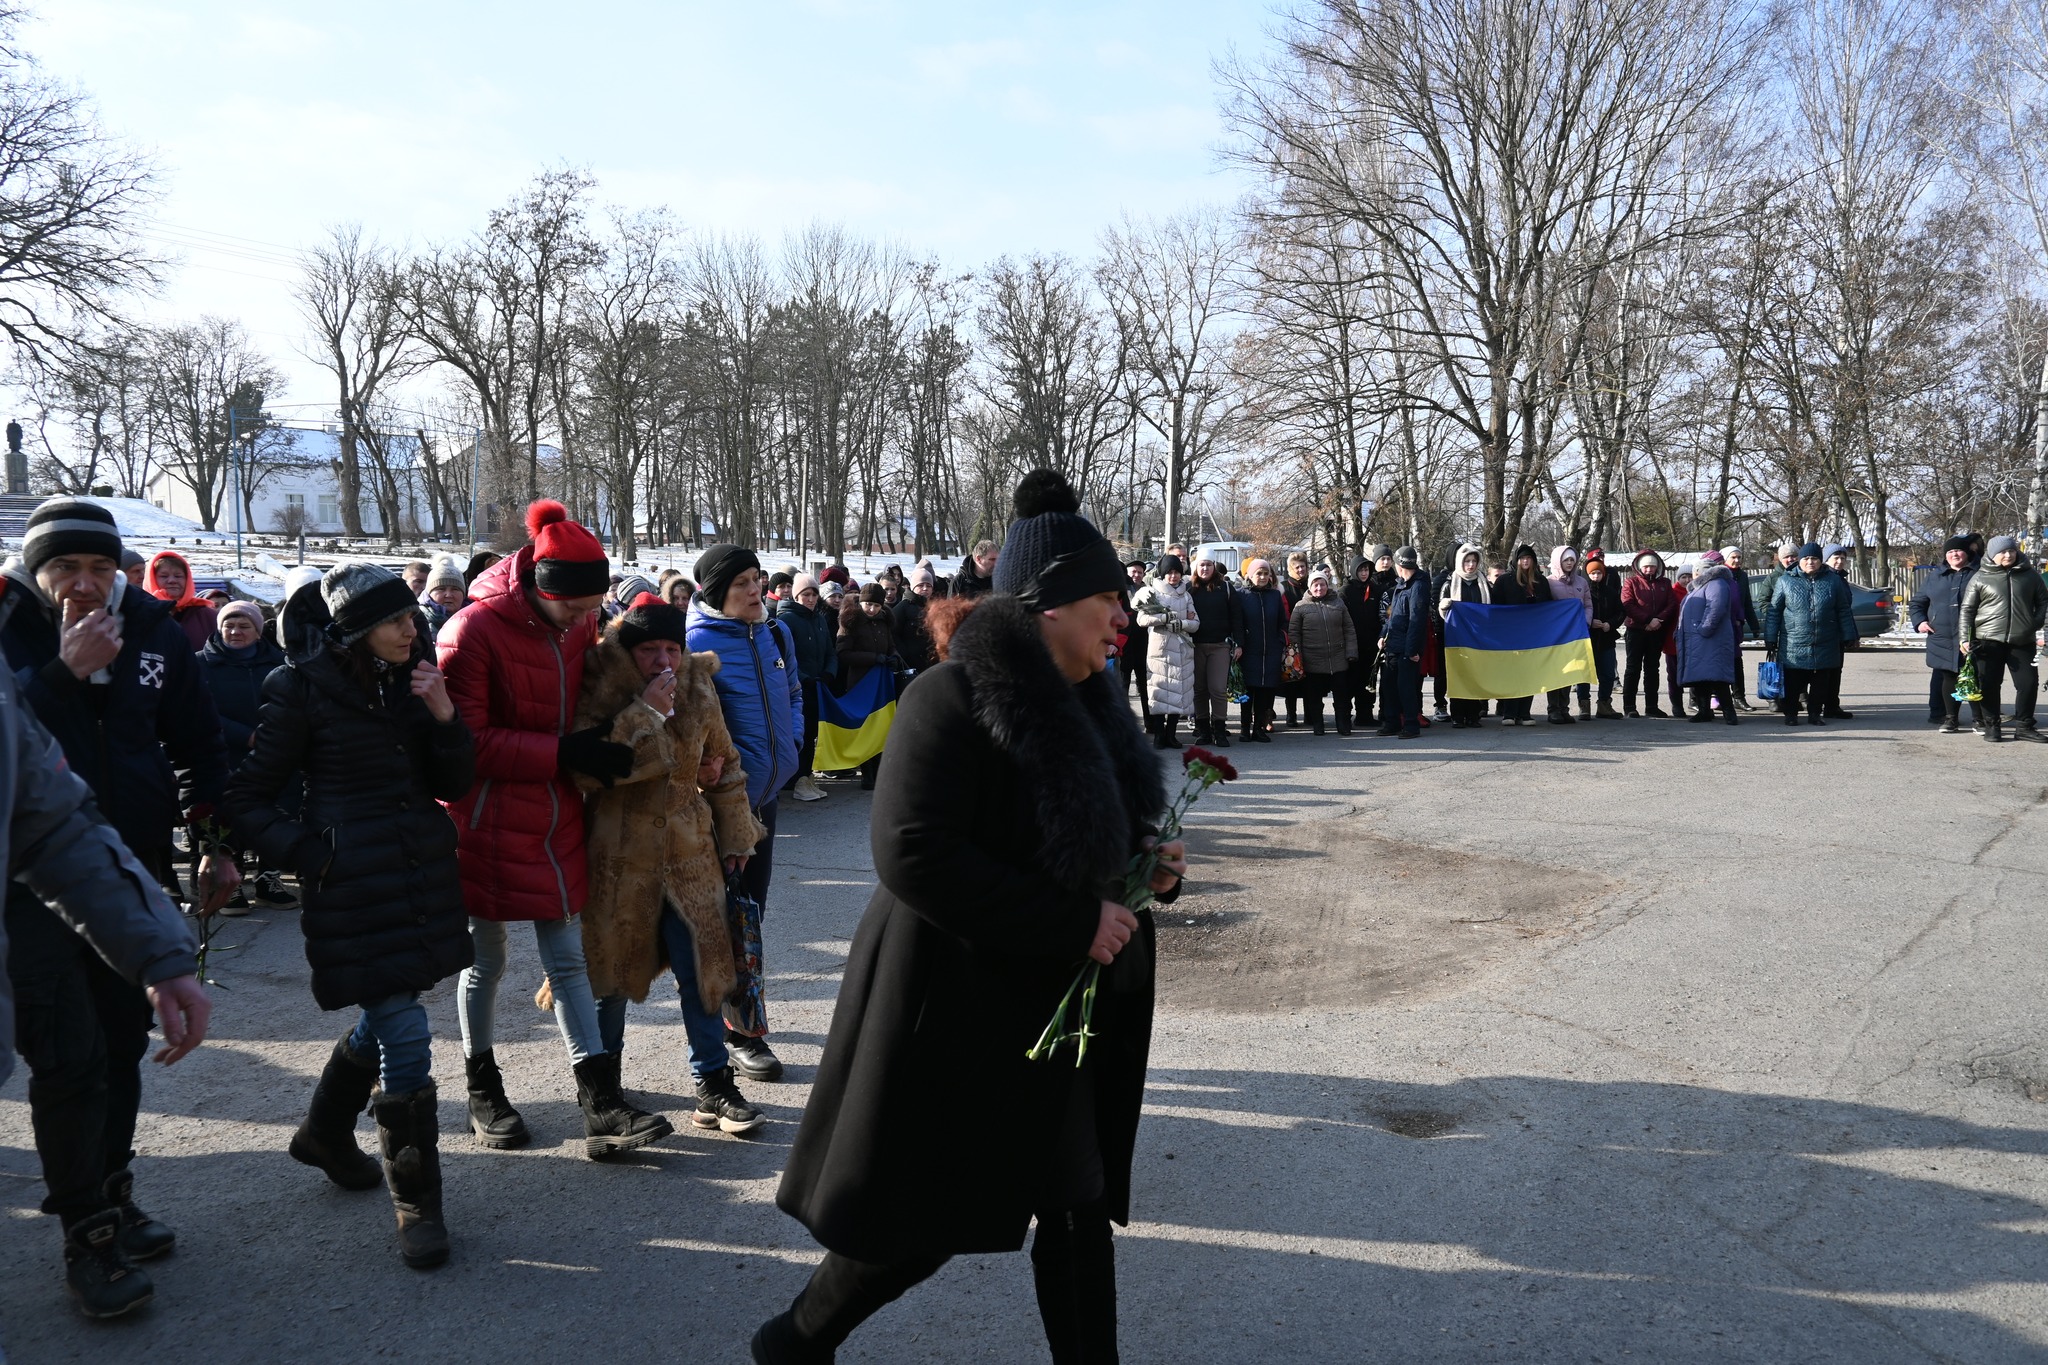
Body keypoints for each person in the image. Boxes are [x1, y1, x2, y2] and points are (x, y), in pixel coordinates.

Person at [757, 468, 1185, 1365]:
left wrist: (1152, 869)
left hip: (1061, 1007)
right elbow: (914, 852)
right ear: (1048, 604)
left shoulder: (1097, 709)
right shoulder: (945, 699)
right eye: (1108, 597)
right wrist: (1073, 923)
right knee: (922, 1220)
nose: (1123, 615)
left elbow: (1099, 842)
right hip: (954, 1002)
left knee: (1077, 1200)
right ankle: (798, 1339)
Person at [0, 497, 236, 1319]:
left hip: (125, 870)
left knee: (122, 1040)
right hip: (28, 887)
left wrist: (216, 837)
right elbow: (14, 754)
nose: (86, 584)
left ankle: (112, 1189)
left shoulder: (154, 630)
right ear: (36, 573)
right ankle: (86, 1233)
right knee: (67, 1055)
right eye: (66, 568)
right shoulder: (11, 629)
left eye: (101, 568)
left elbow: (199, 737)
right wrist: (62, 669)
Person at [223, 562, 475, 1269]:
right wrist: (314, 854)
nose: (412, 627)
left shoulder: (415, 680)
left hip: (418, 878)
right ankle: (418, 1204)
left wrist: (445, 713)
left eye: (411, 617)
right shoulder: (299, 688)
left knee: (389, 1009)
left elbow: (454, 782)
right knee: (406, 1031)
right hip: (353, 886)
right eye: (395, 620)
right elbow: (247, 798)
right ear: (355, 630)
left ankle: (325, 1133)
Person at [438, 500, 672, 1158]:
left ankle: (600, 1099)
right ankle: (483, 1087)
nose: (586, 619)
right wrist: (567, 753)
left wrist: (619, 731)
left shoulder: (577, 622)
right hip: (482, 820)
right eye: (577, 606)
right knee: (485, 960)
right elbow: (467, 743)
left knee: (569, 960)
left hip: (555, 812)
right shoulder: (471, 631)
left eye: (595, 605)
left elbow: (587, 698)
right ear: (543, 588)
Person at [574, 594, 772, 1138]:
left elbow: (726, 764)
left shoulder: (697, 684)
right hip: (618, 854)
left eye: (672, 648)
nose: (663, 661)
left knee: (705, 970)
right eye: (649, 650)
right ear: (625, 649)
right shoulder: (598, 683)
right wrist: (644, 716)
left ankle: (713, 1082)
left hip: (690, 851)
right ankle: (604, 1087)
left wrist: (735, 834)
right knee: (609, 974)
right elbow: (586, 774)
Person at [687, 543, 803, 1083]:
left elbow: (795, 695)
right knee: (728, 921)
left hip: (767, 803)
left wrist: (795, 744)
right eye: (742, 584)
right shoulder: (694, 646)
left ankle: (737, 1020)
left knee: (752, 913)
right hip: (721, 811)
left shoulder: (776, 633)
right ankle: (739, 1036)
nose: (756, 590)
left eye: (757, 579)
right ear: (715, 594)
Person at [198, 600, 296, 912]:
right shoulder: (201, 663)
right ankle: (232, 881)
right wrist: (245, 735)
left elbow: (290, 703)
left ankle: (268, 878)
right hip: (224, 752)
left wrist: (274, 734)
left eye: (244, 626)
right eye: (229, 624)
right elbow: (201, 710)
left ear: (257, 632)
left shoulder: (278, 662)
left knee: (276, 812)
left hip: (273, 751)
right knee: (230, 814)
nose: (235, 631)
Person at [1958, 535, 2047, 744]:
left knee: (2028, 683)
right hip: (1988, 640)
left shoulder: (2030, 576)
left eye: (2012, 551)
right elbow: (1967, 610)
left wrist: (2035, 622)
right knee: (1989, 684)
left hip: (2023, 640)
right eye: (2002, 552)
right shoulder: (1980, 577)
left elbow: (2043, 601)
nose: (2008, 555)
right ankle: (1991, 725)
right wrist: (1964, 638)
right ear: (1992, 554)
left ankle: (2024, 726)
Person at [1763, 544, 1857, 726]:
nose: (1810, 562)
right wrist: (1770, 637)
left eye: (1814, 559)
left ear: (1820, 561)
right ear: (1800, 561)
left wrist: (1848, 634)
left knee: (1821, 681)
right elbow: (1774, 611)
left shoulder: (1833, 581)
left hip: (1825, 639)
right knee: (1793, 681)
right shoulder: (1785, 581)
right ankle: (1791, 714)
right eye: (1806, 559)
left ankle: (1815, 714)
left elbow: (1843, 610)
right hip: (1794, 641)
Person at [1910, 536, 1977, 733]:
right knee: (1946, 677)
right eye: (1950, 552)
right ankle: (1945, 716)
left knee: (1975, 677)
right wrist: (1920, 621)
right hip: (1941, 636)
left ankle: (1980, 719)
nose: (1954, 554)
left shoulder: (1979, 574)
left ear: (1967, 553)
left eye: (1958, 550)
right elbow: (1917, 603)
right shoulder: (1934, 576)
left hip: (1972, 636)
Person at [1131, 554, 1198, 749]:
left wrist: (1183, 623)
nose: (1174, 576)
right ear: (1163, 574)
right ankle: (1159, 735)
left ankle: (1172, 735)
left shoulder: (1186, 595)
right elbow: (1142, 620)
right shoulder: (1153, 593)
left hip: (1182, 648)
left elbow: (1195, 623)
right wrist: (1164, 618)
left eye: (1177, 572)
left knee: (1179, 691)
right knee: (1160, 691)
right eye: (1169, 572)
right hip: (1160, 649)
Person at [836, 583, 899, 791]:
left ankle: (880, 769)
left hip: (881, 682)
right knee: (864, 727)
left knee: (880, 725)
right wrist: (874, 658)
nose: (871, 609)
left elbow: (890, 646)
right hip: (860, 682)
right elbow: (843, 654)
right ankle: (867, 772)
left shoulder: (885, 621)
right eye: (868, 604)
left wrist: (893, 658)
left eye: (876, 606)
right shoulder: (850, 621)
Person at [778, 574, 836, 802]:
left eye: (813, 594)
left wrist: (829, 672)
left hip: (819, 685)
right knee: (800, 733)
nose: (811, 599)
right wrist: (803, 678)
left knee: (812, 732)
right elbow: (785, 657)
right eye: (806, 595)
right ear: (797, 596)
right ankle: (797, 779)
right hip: (798, 688)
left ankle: (806, 776)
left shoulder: (819, 619)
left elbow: (831, 650)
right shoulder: (787, 620)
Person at [1286, 568, 1357, 736]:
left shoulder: (1338, 602)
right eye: (1315, 585)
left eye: (1322, 584)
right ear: (1310, 587)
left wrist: (1351, 652)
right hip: (1312, 659)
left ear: (1327, 585)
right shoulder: (1301, 607)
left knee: (1341, 695)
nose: (1319, 588)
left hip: (1338, 658)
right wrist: (1297, 658)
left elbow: (1349, 629)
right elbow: (1294, 634)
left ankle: (1342, 723)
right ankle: (1318, 724)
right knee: (1314, 696)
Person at [1675, 551, 1741, 725]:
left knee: (1717, 677)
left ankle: (1729, 712)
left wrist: (1704, 629)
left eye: (1696, 572)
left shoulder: (1716, 583)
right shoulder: (1698, 588)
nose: (1693, 576)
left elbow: (1716, 608)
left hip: (1711, 639)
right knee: (1701, 678)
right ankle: (1704, 711)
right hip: (1698, 641)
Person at [1491, 544, 1552, 725]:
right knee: (1512, 674)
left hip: (1534, 636)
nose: (1525, 561)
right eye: (1522, 558)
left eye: (1529, 558)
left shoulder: (1541, 581)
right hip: (1511, 635)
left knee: (1529, 674)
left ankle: (1525, 713)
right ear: (1516, 561)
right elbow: (1496, 607)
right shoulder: (1505, 581)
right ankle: (1509, 713)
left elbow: (1548, 608)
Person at [1185, 553, 1242, 746]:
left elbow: (1236, 617)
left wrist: (1239, 643)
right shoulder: (1188, 590)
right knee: (1199, 690)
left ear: (1214, 566)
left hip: (1220, 645)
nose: (1205, 569)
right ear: (1195, 567)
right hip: (1195, 646)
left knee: (1217, 689)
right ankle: (1203, 731)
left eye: (1208, 565)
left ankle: (1219, 730)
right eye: (1201, 565)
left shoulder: (1225, 587)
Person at [1437, 543, 1491, 728]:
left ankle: (1473, 715)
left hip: (1478, 638)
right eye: (1467, 561)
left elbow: (1490, 610)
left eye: (1474, 561)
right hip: (1457, 638)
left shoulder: (1483, 583)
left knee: (1475, 675)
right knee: (1459, 676)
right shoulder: (1450, 583)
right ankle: (1458, 715)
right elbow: (1441, 614)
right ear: (1460, 561)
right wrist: (1443, 607)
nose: (1471, 565)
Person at [1234, 559, 1288, 742]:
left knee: (1265, 693)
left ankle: (1259, 729)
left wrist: (1280, 640)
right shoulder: (1241, 595)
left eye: (1266, 573)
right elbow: (1237, 622)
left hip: (1271, 651)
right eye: (1259, 573)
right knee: (1247, 693)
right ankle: (1244, 729)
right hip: (1249, 651)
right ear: (1249, 575)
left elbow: (1283, 621)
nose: (1263, 577)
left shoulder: (1274, 596)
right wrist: (1240, 643)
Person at [1379, 547, 1428, 738]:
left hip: (1407, 647)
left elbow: (1417, 621)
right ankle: (1391, 722)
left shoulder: (1418, 585)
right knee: (1389, 686)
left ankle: (1410, 724)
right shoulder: (1401, 584)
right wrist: (1383, 634)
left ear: (1400, 565)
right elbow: (1392, 616)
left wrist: (1412, 650)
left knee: (1406, 688)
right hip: (1392, 645)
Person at [1620, 551, 1675, 718]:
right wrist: (1647, 620)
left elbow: (1671, 604)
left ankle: (1652, 706)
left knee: (1653, 669)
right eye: (1646, 566)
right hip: (1636, 630)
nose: (1649, 569)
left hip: (1657, 631)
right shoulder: (1631, 582)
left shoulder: (1665, 583)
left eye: (1652, 566)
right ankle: (1629, 706)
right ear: (1639, 567)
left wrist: (1658, 620)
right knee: (1633, 668)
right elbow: (1628, 604)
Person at [1545, 547, 1592, 722]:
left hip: (1576, 634)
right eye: (1566, 560)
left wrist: (1585, 621)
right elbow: (1545, 608)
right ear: (1558, 561)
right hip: (1555, 635)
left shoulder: (1581, 582)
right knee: (1555, 671)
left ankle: (1564, 708)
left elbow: (1588, 604)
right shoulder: (1548, 582)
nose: (1570, 563)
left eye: (1572, 560)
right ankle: (1553, 709)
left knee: (1570, 670)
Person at [142, 550, 217, 652]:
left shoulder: (206, 615)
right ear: (152, 580)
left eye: (178, 576)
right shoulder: (140, 613)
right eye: (164, 576)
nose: (172, 581)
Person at [1339, 554, 1382, 733]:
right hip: (1351, 645)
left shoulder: (1375, 589)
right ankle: (1345, 718)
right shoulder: (1345, 591)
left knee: (1368, 683)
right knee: (1350, 683)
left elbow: (1382, 614)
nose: (1364, 573)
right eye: (1361, 570)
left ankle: (1365, 715)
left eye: (1366, 570)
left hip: (1371, 646)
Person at [1583, 549, 1624, 718]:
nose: (1596, 576)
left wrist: (1610, 624)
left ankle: (1604, 704)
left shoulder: (1611, 592)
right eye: (1593, 573)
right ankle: (1584, 705)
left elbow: (1621, 612)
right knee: (1584, 675)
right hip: (1587, 639)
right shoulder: (1584, 592)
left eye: (1599, 573)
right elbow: (1577, 612)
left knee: (1607, 674)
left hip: (1606, 639)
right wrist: (1590, 622)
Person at [1722, 546, 1760, 710]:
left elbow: (1746, 602)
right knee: (1720, 662)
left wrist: (1754, 625)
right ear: (1725, 559)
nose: (1737, 560)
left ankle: (1739, 697)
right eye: (1733, 557)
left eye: (1739, 557)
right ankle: (1717, 698)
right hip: (1721, 626)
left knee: (1737, 662)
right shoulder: (1720, 575)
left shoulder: (1743, 576)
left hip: (1736, 626)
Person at [1277, 552, 1311, 726]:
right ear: (1290, 569)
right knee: (1291, 677)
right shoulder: (1283, 587)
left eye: (1302, 566)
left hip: (1311, 638)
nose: (1300, 569)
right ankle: (1291, 714)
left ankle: (1310, 714)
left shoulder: (1311, 585)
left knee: (1309, 678)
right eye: (1296, 567)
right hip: (1291, 638)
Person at [1119, 560, 1152, 726]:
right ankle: (1126, 724)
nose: (1136, 575)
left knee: (1145, 684)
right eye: (1133, 572)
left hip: (1143, 642)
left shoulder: (1149, 592)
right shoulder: (1121, 590)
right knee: (1124, 684)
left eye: (1140, 572)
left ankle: (1149, 721)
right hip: (1124, 642)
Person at [419, 554, 469, 639]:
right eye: (441, 589)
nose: (448, 595)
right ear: (429, 594)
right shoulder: (418, 621)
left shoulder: (476, 619)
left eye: (455, 589)